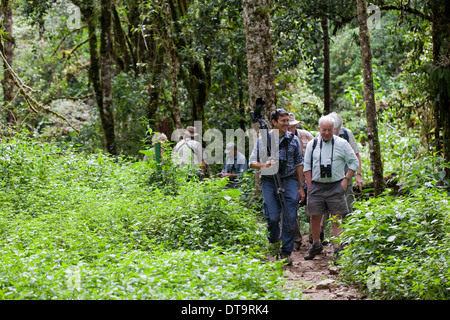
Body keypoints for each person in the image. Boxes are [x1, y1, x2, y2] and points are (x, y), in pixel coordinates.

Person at [249, 108, 306, 266]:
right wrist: (264, 165)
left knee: (290, 217)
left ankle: (286, 252)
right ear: (274, 122)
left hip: (289, 181)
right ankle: (274, 242)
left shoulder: (293, 139)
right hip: (269, 182)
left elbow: (299, 163)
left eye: (288, 121)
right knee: (273, 217)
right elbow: (252, 162)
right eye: (283, 121)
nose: (286, 124)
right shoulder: (263, 140)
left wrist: (301, 186)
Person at [303, 115, 359, 263]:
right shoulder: (312, 144)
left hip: (336, 184)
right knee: (315, 217)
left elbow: (354, 162)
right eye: (324, 130)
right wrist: (309, 187)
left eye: (329, 130)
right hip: (316, 185)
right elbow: (306, 167)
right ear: (319, 129)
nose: (327, 133)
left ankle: (337, 249)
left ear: (334, 129)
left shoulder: (342, 143)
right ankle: (316, 244)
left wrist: (346, 180)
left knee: (336, 218)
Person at [287, 113, 314, 251]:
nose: (290, 128)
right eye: (288, 126)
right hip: (292, 178)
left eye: (292, 126)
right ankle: (296, 240)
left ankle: (314, 238)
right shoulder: (281, 138)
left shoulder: (307, 136)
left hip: (309, 176)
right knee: (292, 210)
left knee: (313, 209)